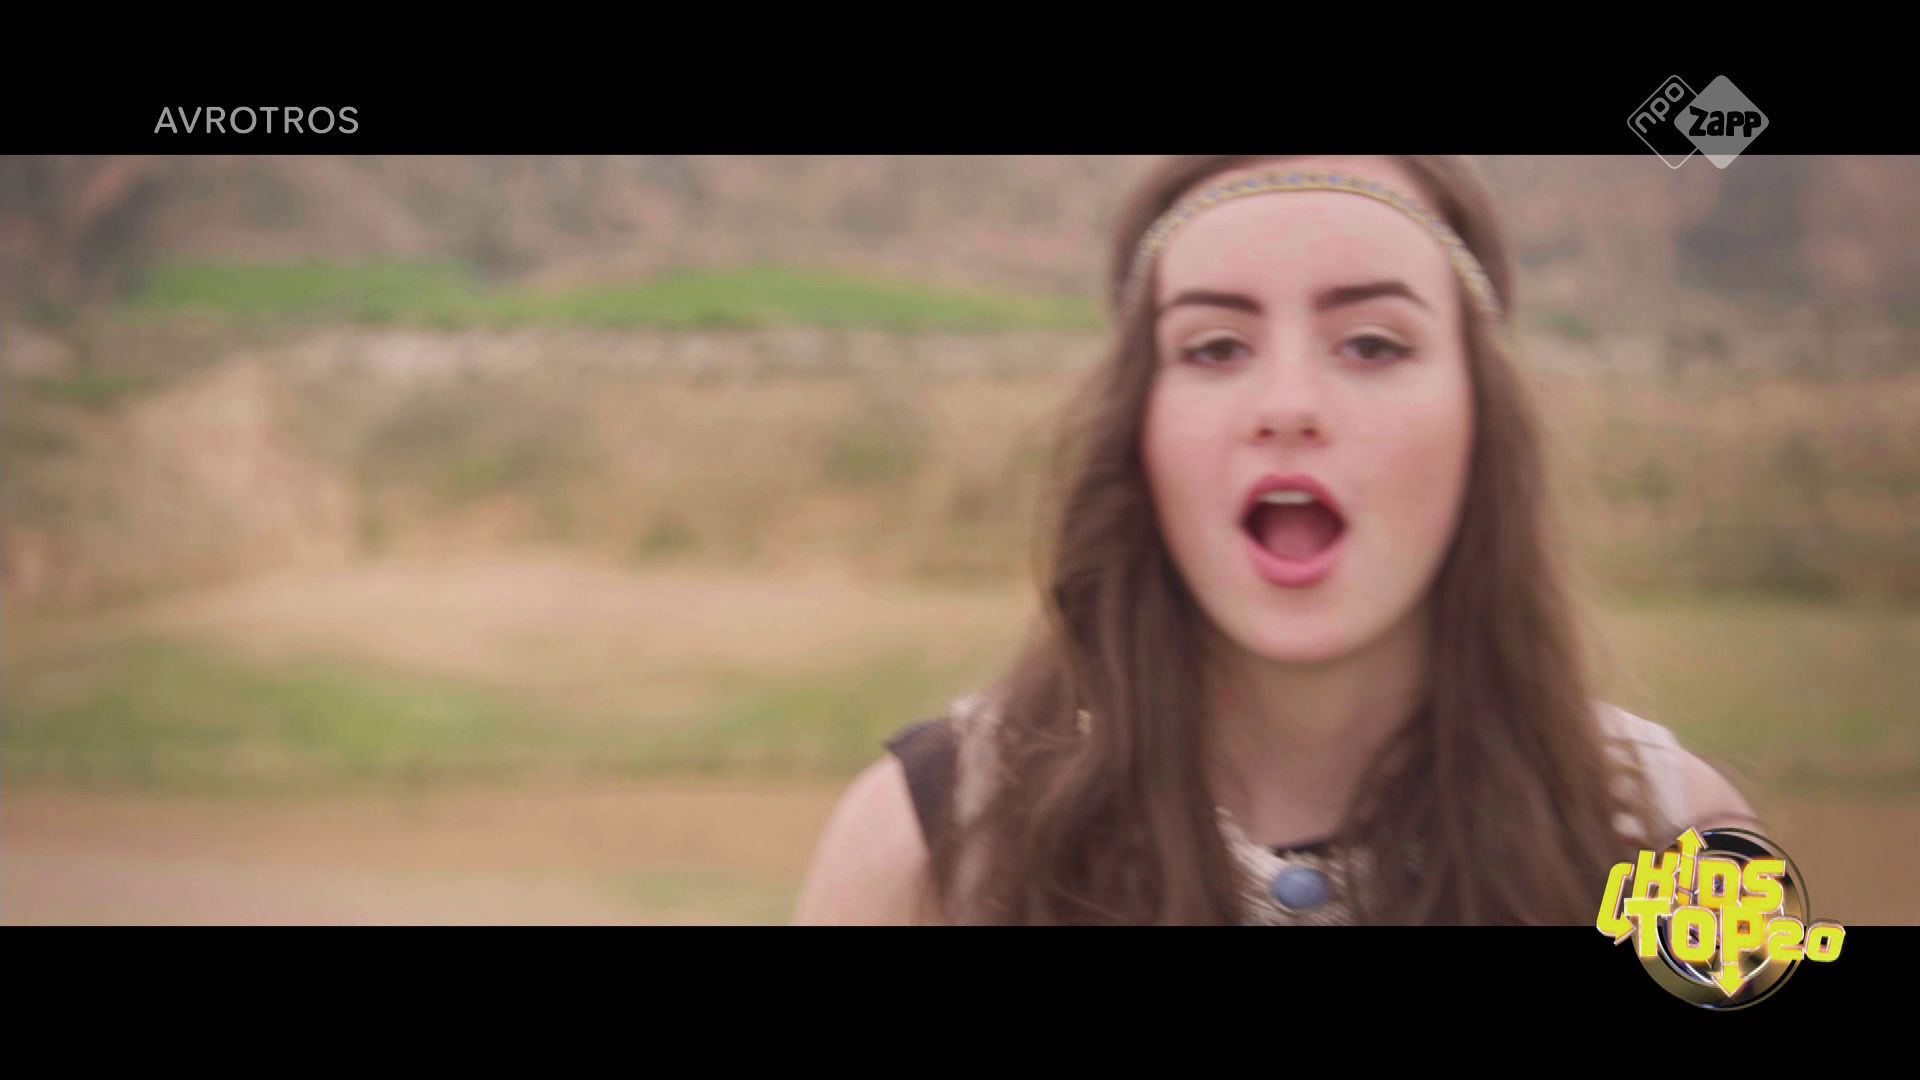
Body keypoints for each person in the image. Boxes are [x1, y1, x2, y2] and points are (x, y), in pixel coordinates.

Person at [791, 155, 1760, 926]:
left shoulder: (1680, 841)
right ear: (1138, 424)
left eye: (1373, 344)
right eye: (1215, 347)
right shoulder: (931, 844)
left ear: (1480, 418)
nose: (1289, 404)